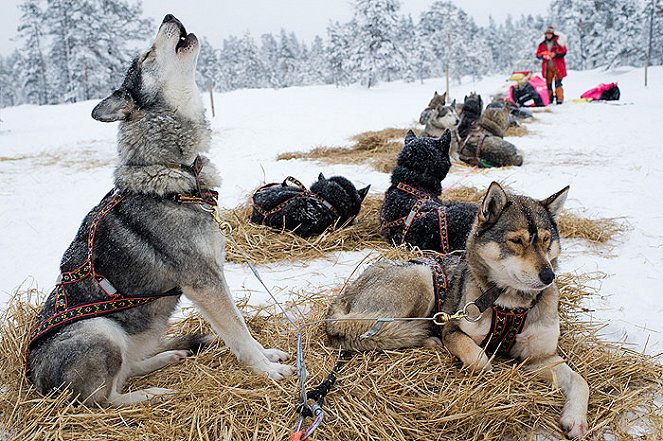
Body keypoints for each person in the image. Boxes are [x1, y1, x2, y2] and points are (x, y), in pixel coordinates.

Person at [536, 26, 567, 104]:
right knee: (548, 84)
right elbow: (537, 54)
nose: (548, 35)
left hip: (558, 66)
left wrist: (555, 54)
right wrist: (542, 56)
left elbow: (564, 52)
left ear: (552, 34)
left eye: (550, 34)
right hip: (547, 67)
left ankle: (559, 98)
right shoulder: (542, 44)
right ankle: (549, 99)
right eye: (547, 34)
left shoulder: (559, 42)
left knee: (558, 83)